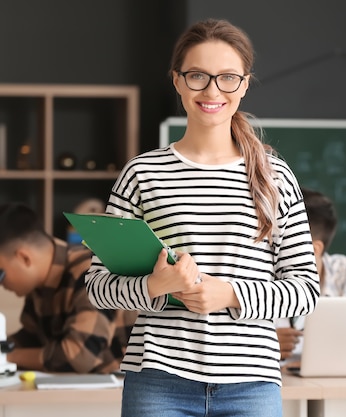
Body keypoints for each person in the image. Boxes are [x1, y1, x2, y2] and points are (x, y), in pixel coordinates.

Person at [84, 18, 320, 417]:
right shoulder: (142, 173)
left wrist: (230, 295)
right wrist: (155, 285)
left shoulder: (274, 175)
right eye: (197, 76)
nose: (212, 90)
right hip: (158, 381)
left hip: (251, 383)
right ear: (177, 81)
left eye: (227, 77)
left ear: (244, 84)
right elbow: (98, 288)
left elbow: (305, 290)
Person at [0, 202, 136, 373]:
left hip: (122, 390)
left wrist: (6, 356)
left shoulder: (88, 273)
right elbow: (32, 339)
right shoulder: (40, 285)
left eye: (1, 273)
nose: (1, 284)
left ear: (24, 258)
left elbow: (79, 356)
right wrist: (5, 346)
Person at [277, 187, 346, 362]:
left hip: (338, 385)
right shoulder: (253, 274)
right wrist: (264, 346)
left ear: (315, 249)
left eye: (281, 239)